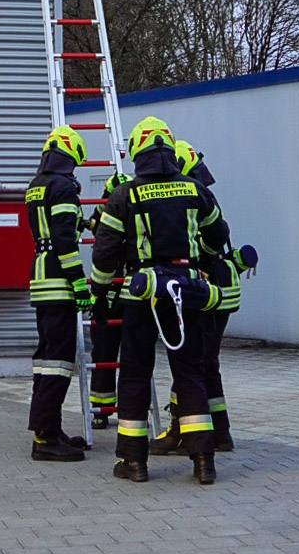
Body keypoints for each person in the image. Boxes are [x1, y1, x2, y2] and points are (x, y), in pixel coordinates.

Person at [91, 115, 231, 485]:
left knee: (135, 374)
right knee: (190, 373)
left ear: (137, 152)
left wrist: (99, 292)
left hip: (141, 295)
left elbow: (105, 252)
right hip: (186, 292)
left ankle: (133, 462)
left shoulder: (125, 195)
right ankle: (204, 461)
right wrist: (200, 260)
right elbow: (218, 235)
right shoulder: (194, 189)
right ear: (170, 150)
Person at [150, 139, 257, 457]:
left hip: (208, 292)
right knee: (207, 364)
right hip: (223, 289)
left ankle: (181, 431)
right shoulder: (203, 196)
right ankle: (220, 433)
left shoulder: (189, 199)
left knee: (190, 363)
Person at [25, 124, 91, 462]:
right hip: (59, 278)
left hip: (41, 275)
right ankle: (46, 438)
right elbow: (65, 240)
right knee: (59, 362)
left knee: (46, 359)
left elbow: (55, 227)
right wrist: (79, 283)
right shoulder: (64, 186)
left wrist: (89, 222)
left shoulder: (37, 184)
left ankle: (48, 428)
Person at [86, 169, 129, 428]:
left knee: (119, 355)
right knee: (107, 354)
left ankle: (121, 410)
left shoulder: (125, 204)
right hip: (118, 293)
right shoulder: (115, 204)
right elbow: (97, 224)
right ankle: (104, 409)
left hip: (121, 292)